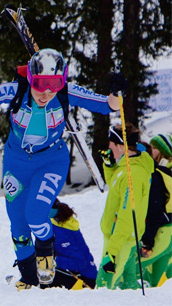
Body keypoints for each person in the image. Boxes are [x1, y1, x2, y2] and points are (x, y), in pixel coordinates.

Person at [0, 48, 125, 290]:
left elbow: (109, 106)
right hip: (16, 163)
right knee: (18, 224)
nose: (46, 93)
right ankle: (28, 277)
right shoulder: (17, 90)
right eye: (40, 85)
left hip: (51, 162)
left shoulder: (65, 93)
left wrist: (116, 91)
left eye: (54, 85)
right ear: (31, 78)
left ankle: (46, 259)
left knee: (37, 213)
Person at [96, 123, 153, 290]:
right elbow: (115, 186)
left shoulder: (133, 173)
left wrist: (112, 252)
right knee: (128, 289)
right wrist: (109, 165)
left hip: (120, 240)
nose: (109, 149)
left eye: (112, 146)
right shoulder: (125, 167)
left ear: (121, 146)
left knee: (104, 288)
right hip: (119, 238)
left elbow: (128, 215)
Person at [139, 142, 172, 287]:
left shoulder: (153, 176)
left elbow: (154, 213)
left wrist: (147, 242)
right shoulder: (160, 171)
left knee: (129, 269)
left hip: (162, 232)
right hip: (166, 231)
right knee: (156, 282)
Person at [46, 199, 97, 289]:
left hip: (85, 280)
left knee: (47, 272)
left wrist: (54, 260)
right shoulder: (60, 225)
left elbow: (81, 263)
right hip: (82, 275)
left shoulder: (64, 233)